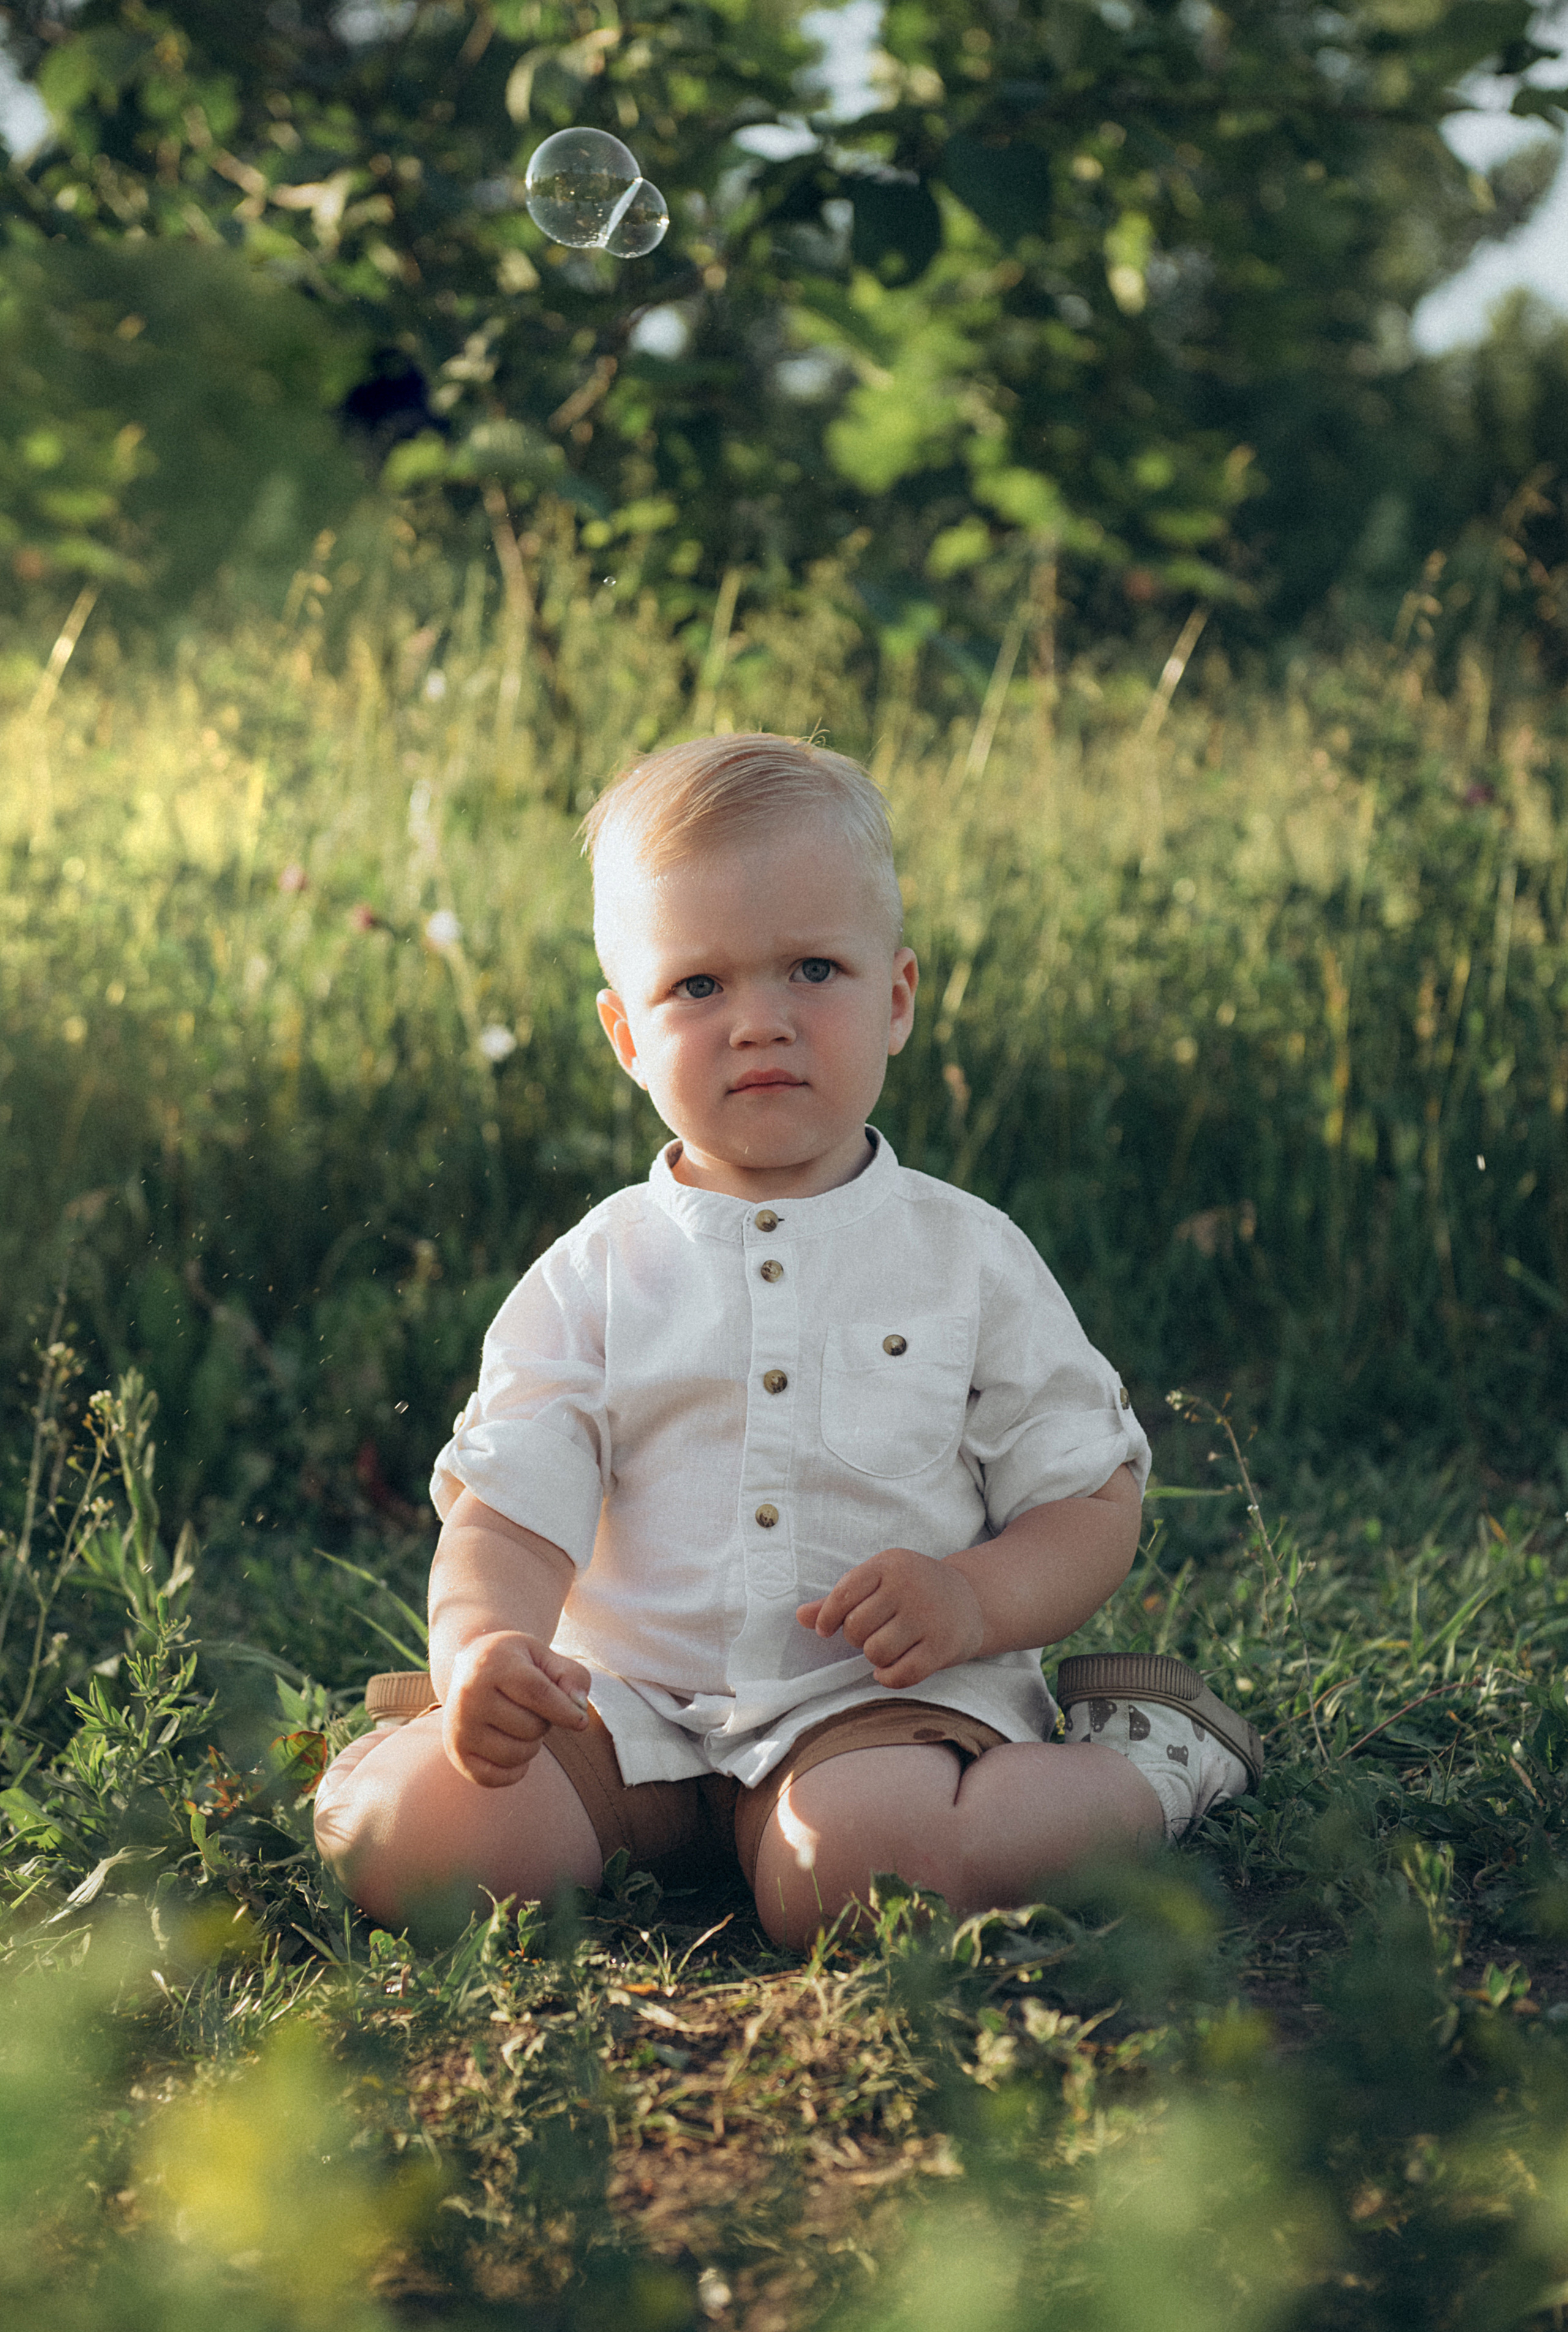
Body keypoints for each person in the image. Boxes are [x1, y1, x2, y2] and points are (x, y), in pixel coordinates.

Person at [313, 734, 1261, 1949]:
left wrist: (971, 1599)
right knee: (417, 1845)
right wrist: (481, 1646)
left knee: (855, 1880)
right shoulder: (598, 1269)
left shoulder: (964, 1256)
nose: (758, 1021)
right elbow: (506, 1509)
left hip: (875, 1706)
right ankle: (420, 1756)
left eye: (811, 968)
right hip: (624, 1708)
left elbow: (1086, 1497)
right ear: (624, 1035)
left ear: (896, 997)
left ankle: (1153, 1765)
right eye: (697, 986)